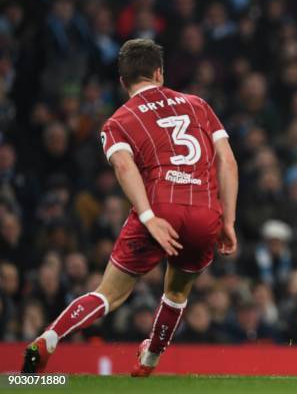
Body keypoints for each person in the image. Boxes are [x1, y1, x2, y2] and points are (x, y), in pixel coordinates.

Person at [21, 39, 238, 377]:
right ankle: (150, 359)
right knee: (177, 291)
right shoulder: (198, 105)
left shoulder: (119, 121)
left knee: (109, 293)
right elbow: (227, 160)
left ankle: (49, 338)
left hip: (160, 205)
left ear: (123, 81)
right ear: (159, 73)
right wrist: (229, 220)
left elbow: (124, 167)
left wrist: (149, 217)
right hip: (205, 209)